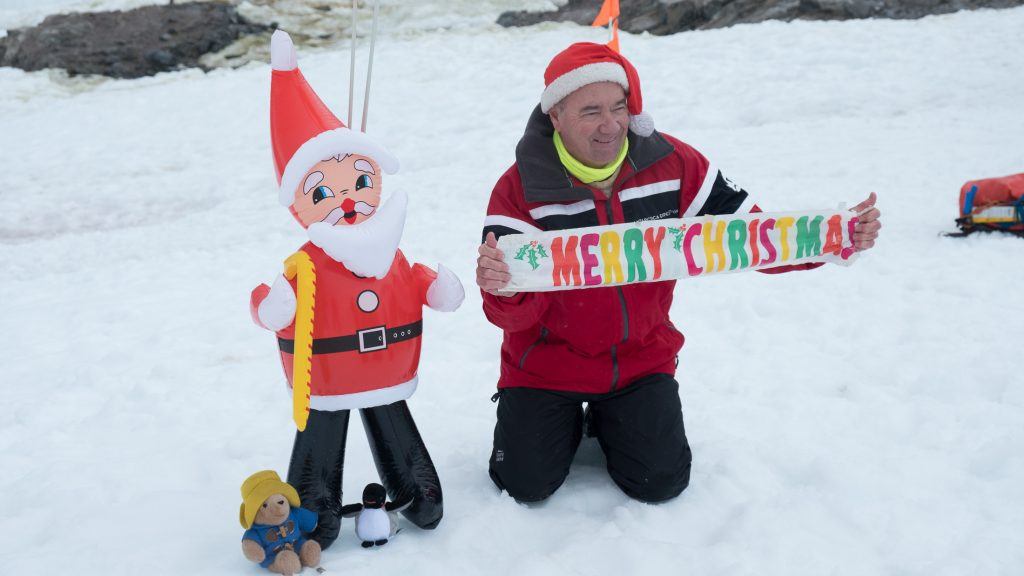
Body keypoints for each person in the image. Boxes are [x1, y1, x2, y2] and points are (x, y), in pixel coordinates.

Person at [476, 42, 881, 504]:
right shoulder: (519, 188)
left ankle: (610, 419)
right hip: (546, 367)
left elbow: (751, 235)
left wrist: (835, 237)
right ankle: (562, 419)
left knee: (660, 484)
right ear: (556, 116)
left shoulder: (673, 163)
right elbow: (509, 317)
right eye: (590, 112)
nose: (610, 125)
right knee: (524, 486)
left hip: (639, 361)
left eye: (619, 107)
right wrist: (500, 285)